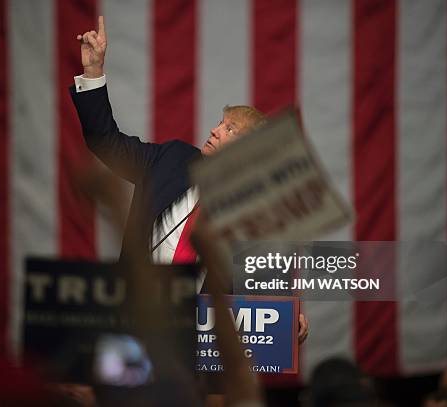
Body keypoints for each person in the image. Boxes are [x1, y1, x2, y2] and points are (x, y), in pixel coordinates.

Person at [71, 16, 307, 344]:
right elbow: (105, 141)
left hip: (198, 340)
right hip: (134, 321)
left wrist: (289, 314)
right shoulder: (170, 159)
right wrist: (93, 71)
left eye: (230, 130)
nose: (214, 130)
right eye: (220, 123)